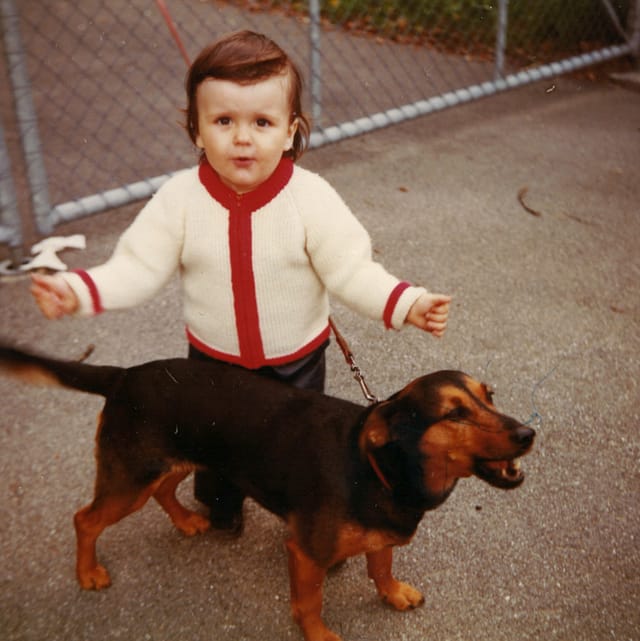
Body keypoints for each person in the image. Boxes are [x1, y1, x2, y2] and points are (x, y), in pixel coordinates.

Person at [30, 30, 451, 535]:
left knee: (301, 452)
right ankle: (222, 508)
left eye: (263, 121)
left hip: (295, 360)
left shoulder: (310, 197)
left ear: (291, 129)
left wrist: (407, 303)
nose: (243, 137)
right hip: (213, 363)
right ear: (196, 129)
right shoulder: (180, 198)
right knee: (214, 448)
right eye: (223, 120)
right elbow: (138, 266)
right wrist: (78, 291)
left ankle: (313, 523)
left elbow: (351, 268)